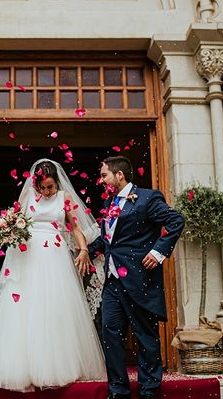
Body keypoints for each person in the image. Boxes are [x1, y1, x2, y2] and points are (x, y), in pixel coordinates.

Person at [0, 159, 106, 391]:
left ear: (56, 183)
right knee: (25, 307)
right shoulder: (27, 195)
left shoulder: (64, 198)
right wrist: (9, 230)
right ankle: (20, 368)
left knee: (53, 307)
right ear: (35, 185)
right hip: (28, 254)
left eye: (50, 187)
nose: (47, 192)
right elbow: (15, 224)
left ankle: (55, 367)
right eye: (42, 187)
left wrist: (84, 249)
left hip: (54, 254)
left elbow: (75, 227)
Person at [89, 156, 185, 399]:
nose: (101, 181)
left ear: (119, 175)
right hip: (112, 281)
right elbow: (110, 240)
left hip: (139, 278)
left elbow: (176, 221)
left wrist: (158, 252)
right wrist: (82, 252)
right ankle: (118, 390)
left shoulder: (147, 198)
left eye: (104, 175)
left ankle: (149, 389)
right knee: (110, 333)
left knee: (145, 335)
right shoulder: (110, 203)